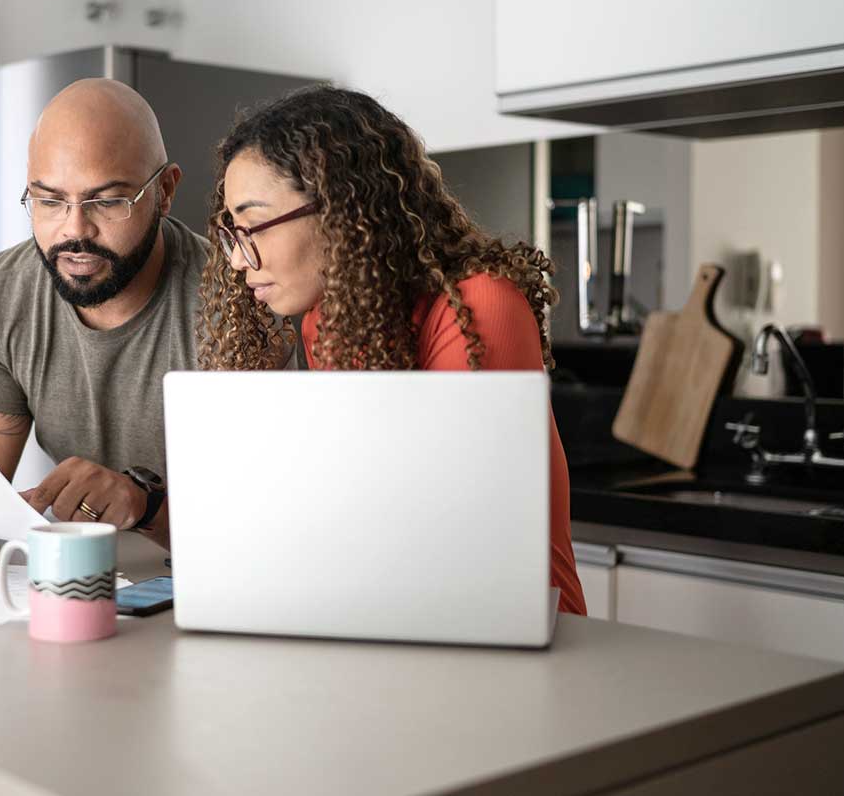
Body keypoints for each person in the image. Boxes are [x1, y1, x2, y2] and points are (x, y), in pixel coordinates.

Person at [198, 85, 587, 614]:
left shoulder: (479, 306)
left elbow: (444, 530)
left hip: (514, 629)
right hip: (403, 615)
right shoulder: (329, 317)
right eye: (232, 232)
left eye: (252, 225)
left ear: (337, 209)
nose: (239, 260)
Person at [0, 78, 208, 576]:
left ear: (166, 191)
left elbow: (274, 526)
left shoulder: (237, 301)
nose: (74, 230)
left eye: (108, 201)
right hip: (92, 587)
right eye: (49, 201)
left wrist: (145, 504)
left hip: (222, 592)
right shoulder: (0, 299)